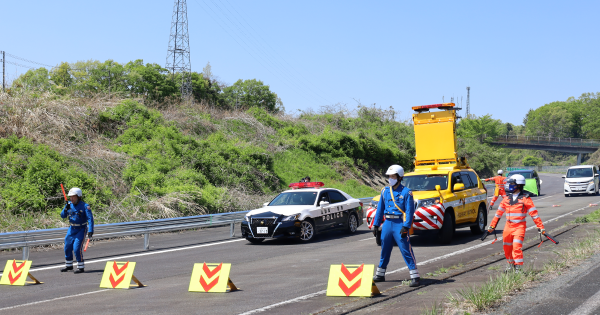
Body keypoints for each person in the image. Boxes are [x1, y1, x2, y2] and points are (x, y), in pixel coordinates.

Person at [372, 165, 420, 286]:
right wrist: (376, 224)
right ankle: (380, 274)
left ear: (399, 177)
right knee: (385, 248)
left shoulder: (406, 192)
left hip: (399, 223)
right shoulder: (385, 191)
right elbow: (380, 209)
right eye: (389, 176)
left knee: (405, 249)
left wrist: (406, 226)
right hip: (387, 223)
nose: (390, 179)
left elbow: (409, 211)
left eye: (393, 176)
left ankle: (415, 276)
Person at [487, 174, 545, 272]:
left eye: (512, 183)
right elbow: (498, 214)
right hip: (508, 227)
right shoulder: (506, 199)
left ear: (518, 185)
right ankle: (510, 265)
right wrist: (492, 226)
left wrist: (540, 227)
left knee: (517, 247)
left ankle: (518, 268)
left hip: (519, 227)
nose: (509, 185)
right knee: (507, 247)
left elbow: (534, 214)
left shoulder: (526, 199)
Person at [60, 187, 94, 273]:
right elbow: (63, 216)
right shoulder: (69, 205)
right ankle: (69, 266)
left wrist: (90, 230)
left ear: (78, 196)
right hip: (71, 229)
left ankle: (80, 266)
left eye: (73, 197)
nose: (71, 198)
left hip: (81, 229)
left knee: (76, 248)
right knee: (67, 247)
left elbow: (90, 219)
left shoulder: (85, 206)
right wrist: (65, 209)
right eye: (70, 197)